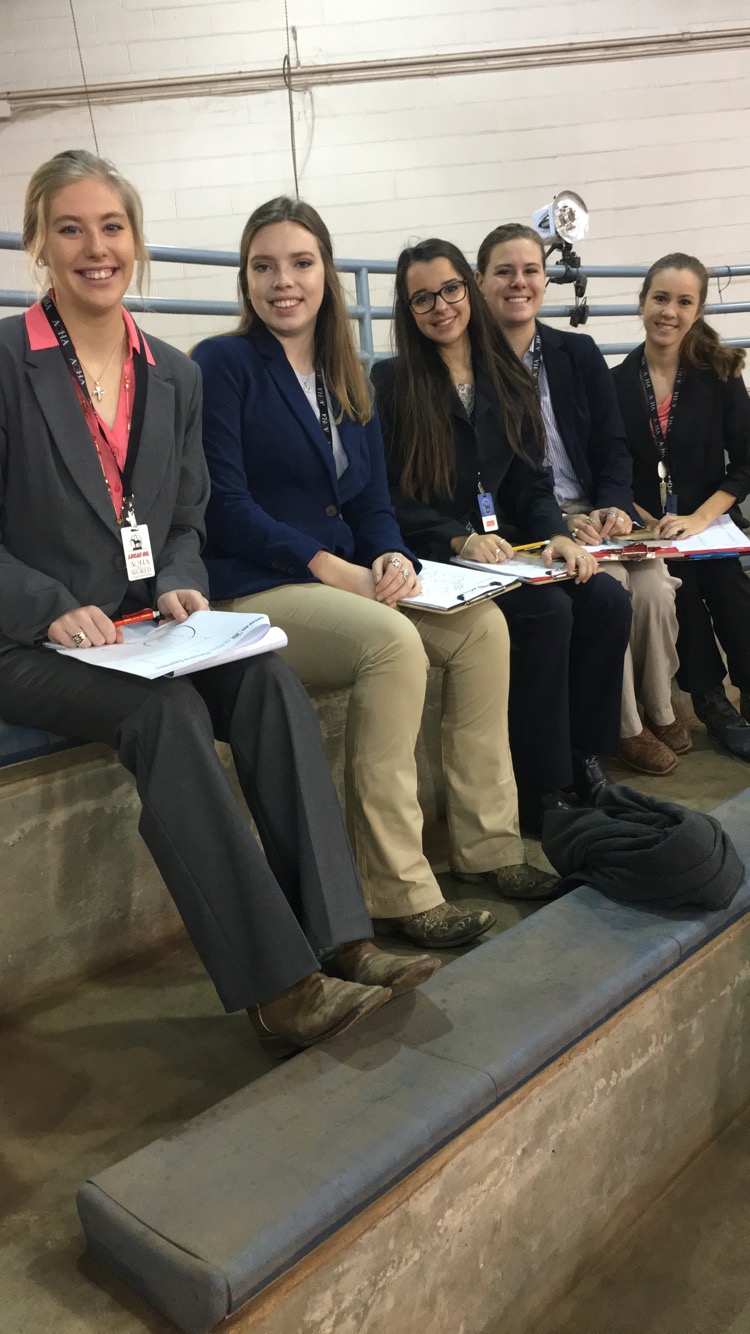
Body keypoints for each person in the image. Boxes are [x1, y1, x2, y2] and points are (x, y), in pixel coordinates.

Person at [0, 149, 438, 1063]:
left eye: (112, 228)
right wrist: (46, 605)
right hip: (33, 638)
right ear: (39, 242)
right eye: (70, 229)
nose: (95, 248)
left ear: (137, 241)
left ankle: (341, 937)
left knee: (269, 684)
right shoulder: (7, 361)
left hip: (142, 627)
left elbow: (189, 516)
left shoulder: (171, 372)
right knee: (163, 717)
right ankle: (279, 988)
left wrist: (178, 581)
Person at [192, 197, 557, 947]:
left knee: (481, 629)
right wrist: (334, 567)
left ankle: (490, 846)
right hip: (255, 582)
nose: (282, 282)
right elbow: (224, 505)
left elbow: (372, 501)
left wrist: (388, 552)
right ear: (245, 279)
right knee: (391, 644)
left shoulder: (346, 374)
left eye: (300, 263)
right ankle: (395, 887)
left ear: (326, 272)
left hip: (346, 573)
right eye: (264, 266)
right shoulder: (223, 363)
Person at [371, 238, 632, 834]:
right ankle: (540, 789)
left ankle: (580, 760)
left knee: (608, 600)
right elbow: (387, 494)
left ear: (469, 287)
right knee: (548, 615)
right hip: (442, 555)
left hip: (510, 548)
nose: (440, 306)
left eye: (451, 289)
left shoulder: (504, 374)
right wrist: (455, 540)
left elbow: (532, 479)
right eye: (421, 299)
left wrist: (555, 536)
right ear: (407, 311)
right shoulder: (391, 383)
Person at [475, 223, 687, 777]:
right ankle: (624, 729)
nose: (519, 282)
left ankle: (660, 708)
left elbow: (612, 447)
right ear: (480, 282)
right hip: (530, 520)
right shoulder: (470, 363)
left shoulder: (578, 352)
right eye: (504, 271)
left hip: (594, 510)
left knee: (657, 587)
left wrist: (614, 505)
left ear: (546, 281)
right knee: (608, 585)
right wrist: (560, 528)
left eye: (530, 270)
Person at [612, 252, 750, 760]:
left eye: (683, 301)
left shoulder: (718, 373)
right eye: (660, 298)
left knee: (731, 588)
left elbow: (746, 462)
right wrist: (640, 515)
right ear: (643, 302)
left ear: (698, 310)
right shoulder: (617, 383)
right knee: (682, 594)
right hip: (652, 528)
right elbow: (609, 464)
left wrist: (700, 519)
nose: (669, 311)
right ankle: (711, 701)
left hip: (708, 521)